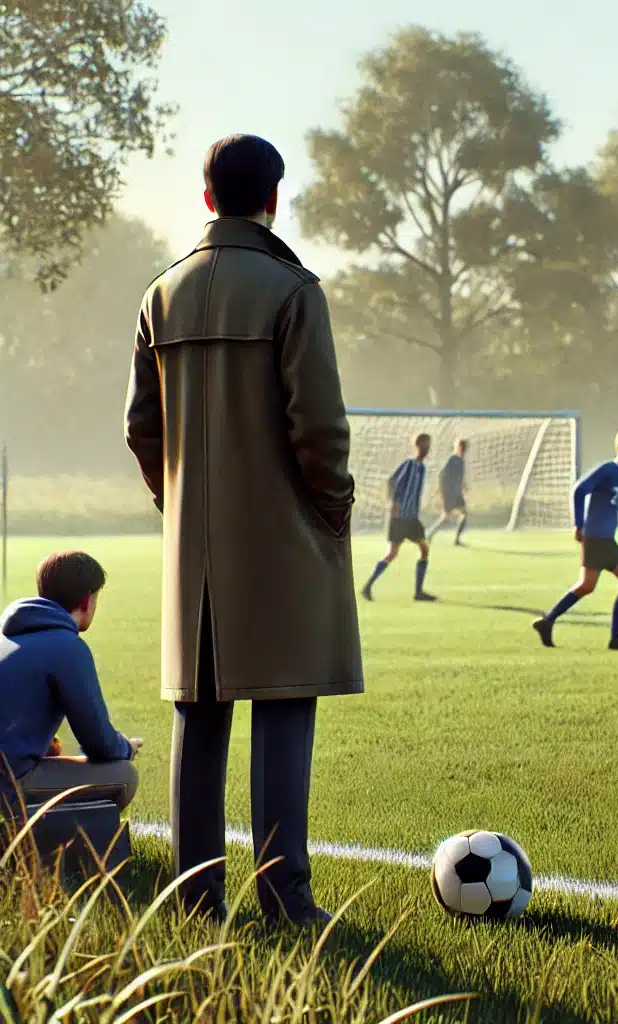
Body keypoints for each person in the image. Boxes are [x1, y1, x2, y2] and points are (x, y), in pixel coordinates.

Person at [124, 134, 363, 927]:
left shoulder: (160, 294)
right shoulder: (294, 291)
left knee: (199, 709)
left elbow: (140, 427)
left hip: (193, 545)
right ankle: (284, 897)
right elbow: (320, 430)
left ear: (205, 197)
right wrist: (331, 511)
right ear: (274, 199)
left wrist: (177, 499)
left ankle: (194, 900)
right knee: (285, 706)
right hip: (283, 536)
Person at [0, 552, 141, 822]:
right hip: (7, 783)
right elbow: (99, 743)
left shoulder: (5, 636)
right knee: (124, 776)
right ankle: (39, 845)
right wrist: (126, 747)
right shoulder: (67, 647)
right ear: (87, 600)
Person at [533, 428, 618, 650]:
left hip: (606, 540)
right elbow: (579, 490)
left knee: (593, 585)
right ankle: (611, 637)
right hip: (594, 537)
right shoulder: (607, 470)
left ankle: (549, 621)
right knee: (606, 583)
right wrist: (578, 524)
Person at [362, 433, 437, 601]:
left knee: (424, 548)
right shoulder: (409, 464)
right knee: (392, 553)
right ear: (418, 446)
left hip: (411, 518)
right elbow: (391, 481)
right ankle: (368, 586)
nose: (426, 449)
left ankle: (418, 592)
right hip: (399, 517)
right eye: (425, 446)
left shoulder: (422, 468)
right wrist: (392, 501)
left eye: (428, 446)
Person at [427, 439, 469, 546]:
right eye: (462, 447)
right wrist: (442, 491)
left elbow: (459, 476)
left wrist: (463, 485)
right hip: (449, 494)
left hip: (457, 494)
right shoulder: (452, 459)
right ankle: (429, 534)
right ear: (457, 447)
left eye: (465, 448)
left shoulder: (461, 460)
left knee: (463, 514)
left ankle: (457, 540)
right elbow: (442, 475)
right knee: (445, 517)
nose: (464, 450)